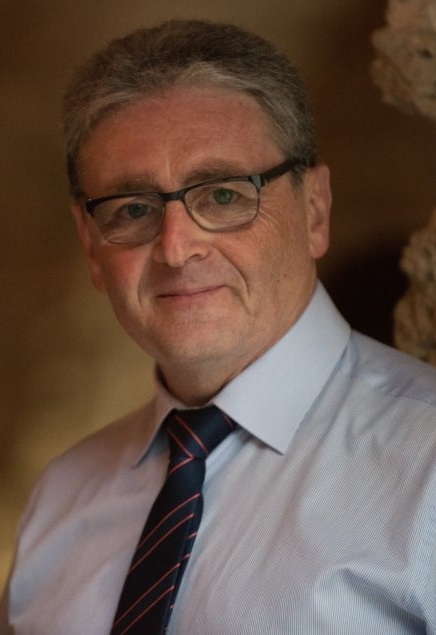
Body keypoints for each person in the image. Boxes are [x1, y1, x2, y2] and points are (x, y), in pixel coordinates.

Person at [2, 19, 436, 635]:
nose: (176, 248)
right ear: (91, 246)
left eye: (224, 195)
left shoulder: (425, 465)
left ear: (315, 209)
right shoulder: (59, 502)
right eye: (133, 208)